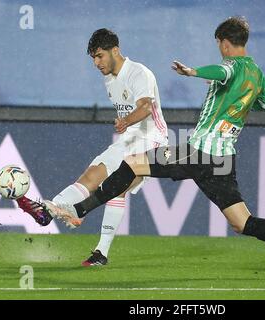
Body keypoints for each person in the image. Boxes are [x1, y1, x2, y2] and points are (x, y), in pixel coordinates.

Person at [44, 17, 265, 279]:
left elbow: (222, 70)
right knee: (242, 222)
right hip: (223, 160)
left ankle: (78, 210)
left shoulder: (231, 66)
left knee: (131, 163)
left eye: (219, 44)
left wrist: (193, 72)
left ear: (225, 43)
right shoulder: (257, 74)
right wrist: (240, 98)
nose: (220, 49)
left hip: (200, 151)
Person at [16, 28, 168, 267]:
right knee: (92, 175)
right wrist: (127, 126)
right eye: (93, 58)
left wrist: (126, 121)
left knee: (117, 187)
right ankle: (50, 208)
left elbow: (146, 107)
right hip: (129, 139)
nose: (96, 63)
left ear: (114, 50)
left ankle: (100, 251)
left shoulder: (139, 73)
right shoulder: (109, 80)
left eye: (99, 56)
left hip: (153, 140)